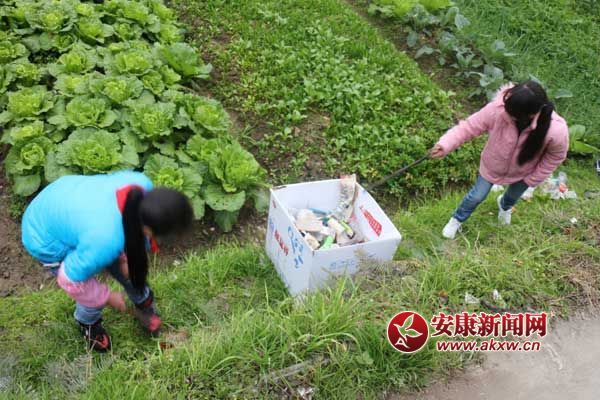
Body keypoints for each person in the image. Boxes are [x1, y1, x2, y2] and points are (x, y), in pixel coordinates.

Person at [21, 171, 193, 351]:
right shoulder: (105, 240)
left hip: (70, 201)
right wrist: (107, 297)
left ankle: (142, 301)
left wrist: (127, 260)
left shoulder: (142, 186)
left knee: (127, 264)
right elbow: (69, 279)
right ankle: (88, 323)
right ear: (148, 229)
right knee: (89, 293)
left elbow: (129, 233)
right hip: (45, 234)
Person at [430, 81, 569, 239]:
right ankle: (457, 219)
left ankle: (504, 206)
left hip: (524, 172)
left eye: (514, 115)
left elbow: (555, 156)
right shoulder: (498, 109)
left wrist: (534, 178)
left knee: (512, 198)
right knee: (476, 196)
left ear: (531, 114)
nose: (508, 115)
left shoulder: (556, 130)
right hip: (492, 165)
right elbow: (468, 127)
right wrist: (445, 144)